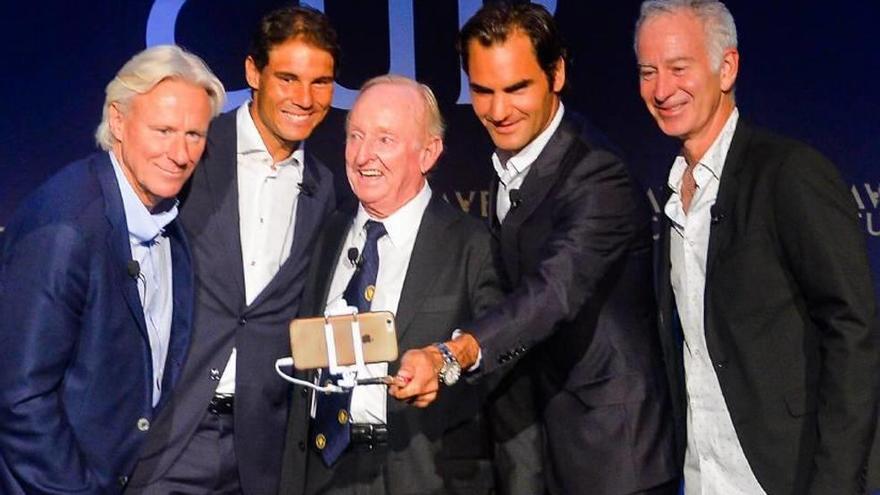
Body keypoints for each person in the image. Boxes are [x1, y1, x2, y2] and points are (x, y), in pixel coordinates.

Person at [391, 3, 677, 494]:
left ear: (556, 73)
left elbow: (552, 292)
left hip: (612, 452)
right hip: (539, 443)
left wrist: (450, 355)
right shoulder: (510, 159)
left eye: (517, 88)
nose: (498, 111)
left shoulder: (596, 174)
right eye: (482, 91)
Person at [633, 1, 879, 493]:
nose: (662, 90)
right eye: (647, 71)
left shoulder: (788, 174)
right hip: (703, 477)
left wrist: (834, 483)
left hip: (787, 474)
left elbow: (854, 332)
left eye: (679, 68)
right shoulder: (673, 192)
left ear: (727, 68)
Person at [278, 74, 542, 495]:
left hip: (425, 477)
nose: (363, 155)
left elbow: (509, 390)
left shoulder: (471, 246)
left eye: (385, 139)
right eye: (356, 136)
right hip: (325, 476)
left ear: (428, 153)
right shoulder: (326, 234)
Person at [126, 6, 337, 494]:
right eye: (287, 78)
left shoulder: (325, 187)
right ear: (252, 73)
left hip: (262, 447)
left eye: (321, 82)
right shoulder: (194, 149)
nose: (304, 99)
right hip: (172, 433)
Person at [0, 45, 224, 494]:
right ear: (118, 121)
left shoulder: (168, 222)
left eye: (194, 135)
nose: (179, 154)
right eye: (162, 130)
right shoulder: (66, 230)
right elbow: (21, 400)